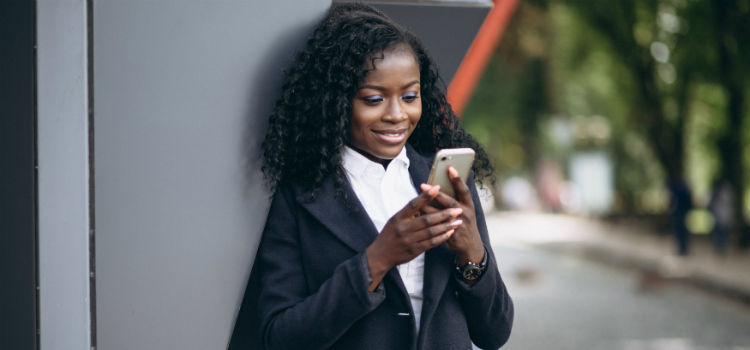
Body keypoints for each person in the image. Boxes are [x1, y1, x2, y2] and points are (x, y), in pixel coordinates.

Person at [256, 4, 513, 350]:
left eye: (410, 96)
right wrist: (376, 260)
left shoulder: (451, 183)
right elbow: (280, 339)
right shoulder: (299, 197)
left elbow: (495, 333)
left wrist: (473, 253)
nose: (397, 115)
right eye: (374, 99)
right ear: (335, 102)